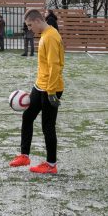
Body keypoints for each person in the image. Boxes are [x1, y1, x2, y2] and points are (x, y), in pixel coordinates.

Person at [10, 9, 65, 174]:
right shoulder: (44, 34)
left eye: (29, 25)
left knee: (48, 126)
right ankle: (24, 155)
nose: (29, 29)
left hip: (50, 88)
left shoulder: (51, 36)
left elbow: (55, 66)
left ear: (37, 21)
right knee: (27, 117)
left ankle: (51, 165)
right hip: (39, 85)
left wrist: (52, 92)